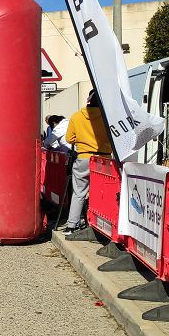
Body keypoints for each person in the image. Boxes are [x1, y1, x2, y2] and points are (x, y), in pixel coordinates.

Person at [62, 90, 112, 234]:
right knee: (103, 193)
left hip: (84, 157)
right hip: (104, 159)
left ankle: (71, 225)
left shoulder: (76, 117)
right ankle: (102, 225)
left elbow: (69, 139)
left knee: (79, 192)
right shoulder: (107, 116)